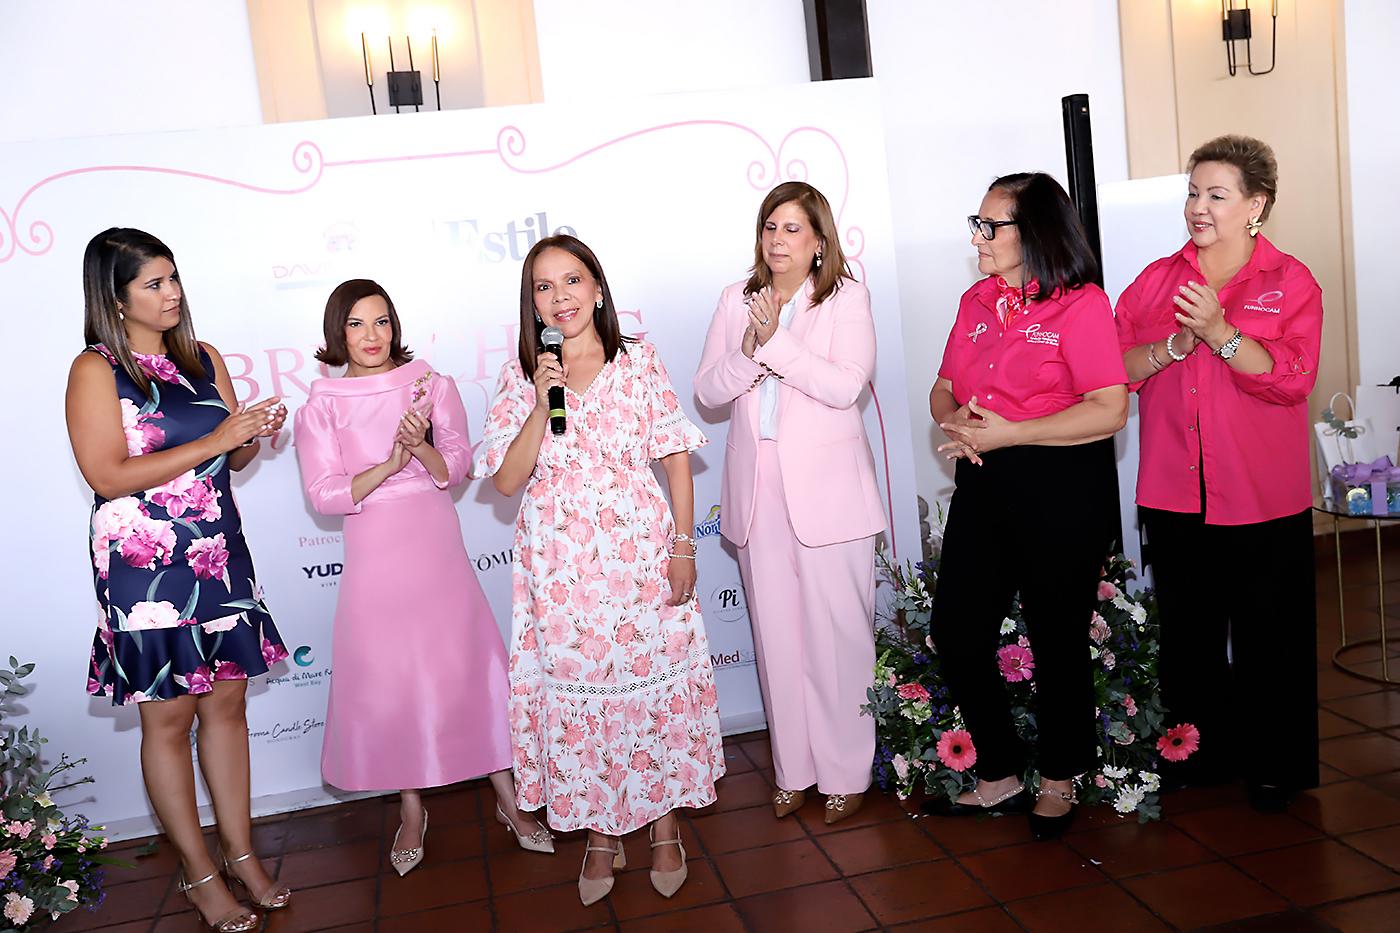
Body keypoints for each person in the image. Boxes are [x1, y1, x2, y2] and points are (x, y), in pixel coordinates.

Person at [478, 235, 723, 906]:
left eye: (572, 280)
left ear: (598, 289)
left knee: (648, 686)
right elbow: (504, 480)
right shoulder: (520, 376)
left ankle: (665, 826)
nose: (561, 296)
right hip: (559, 567)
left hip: (638, 550)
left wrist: (682, 546)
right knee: (582, 698)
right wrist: (539, 399)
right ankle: (600, 834)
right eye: (544, 287)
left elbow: (674, 455)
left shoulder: (637, 360)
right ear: (532, 304)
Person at [66, 228, 291, 931]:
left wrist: (249, 436)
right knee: (168, 719)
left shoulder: (204, 358)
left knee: (227, 705)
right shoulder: (95, 370)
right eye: (153, 283)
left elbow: (232, 460)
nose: (173, 293)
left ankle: (241, 854)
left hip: (218, 554)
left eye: (174, 278)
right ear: (115, 295)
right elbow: (106, 475)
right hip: (143, 566)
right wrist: (216, 441)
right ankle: (198, 876)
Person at [294, 279, 553, 875]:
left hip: (434, 541)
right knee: (393, 677)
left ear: (396, 326)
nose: (371, 336)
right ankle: (412, 809)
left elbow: (460, 466)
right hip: (374, 554)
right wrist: (390, 462)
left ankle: (509, 800)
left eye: (382, 321)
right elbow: (325, 494)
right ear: (338, 333)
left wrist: (422, 450)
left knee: (466, 662)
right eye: (357, 324)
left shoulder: (432, 386)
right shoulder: (322, 406)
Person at [1116, 136, 1322, 812]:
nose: (1197, 208)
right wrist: (1171, 343)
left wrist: (1221, 332)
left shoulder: (1291, 283)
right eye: (1193, 192)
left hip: (1262, 494)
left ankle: (1276, 763)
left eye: (1215, 194)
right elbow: (1114, 368)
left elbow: (1291, 379)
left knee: (1272, 636)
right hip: (1176, 489)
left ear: (1255, 205)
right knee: (1189, 634)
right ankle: (1199, 754)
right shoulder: (1155, 280)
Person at [927, 174, 1129, 840]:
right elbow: (944, 386)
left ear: (1033, 232)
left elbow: (1109, 408)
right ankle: (1002, 770)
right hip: (986, 482)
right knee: (956, 630)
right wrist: (954, 417)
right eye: (976, 223)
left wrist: (1011, 432)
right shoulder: (976, 301)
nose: (978, 237)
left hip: (1061, 482)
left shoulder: (1082, 305)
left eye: (992, 226)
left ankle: (1060, 777)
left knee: (1056, 636)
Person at [694, 181, 885, 825]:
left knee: (838, 637)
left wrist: (776, 342)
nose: (778, 241)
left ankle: (846, 770)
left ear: (819, 239)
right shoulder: (735, 299)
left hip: (829, 492)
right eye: (769, 228)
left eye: (792, 229)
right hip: (757, 488)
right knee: (777, 636)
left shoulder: (845, 297)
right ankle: (794, 771)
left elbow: (844, 386)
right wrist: (751, 350)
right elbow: (708, 392)